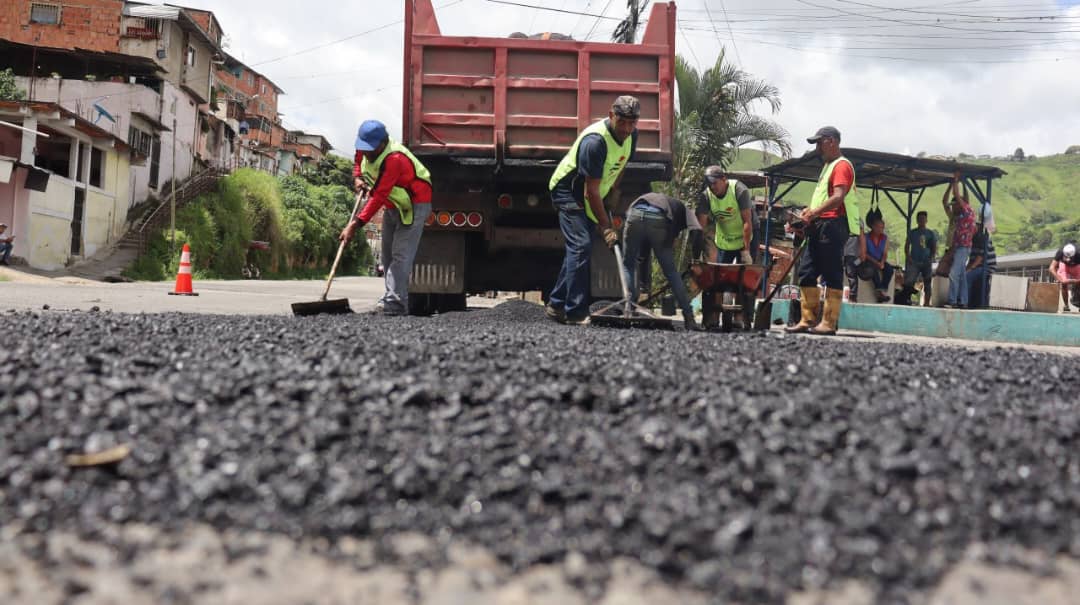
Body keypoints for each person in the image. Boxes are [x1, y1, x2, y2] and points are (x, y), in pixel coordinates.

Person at [546, 95, 640, 324]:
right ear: (611, 116)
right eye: (622, 122)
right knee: (581, 246)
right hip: (569, 191)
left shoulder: (631, 135)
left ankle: (556, 305)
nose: (627, 128)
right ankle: (575, 311)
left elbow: (620, 165)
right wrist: (606, 227)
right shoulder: (595, 142)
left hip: (592, 192)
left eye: (632, 122)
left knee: (578, 249)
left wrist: (613, 194)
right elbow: (590, 192)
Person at [340, 119, 433, 316]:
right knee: (387, 255)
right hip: (394, 204)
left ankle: (395, 304)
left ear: (382, 143)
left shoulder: (394, 159)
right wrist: (357, 177)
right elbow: (358, 161)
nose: (366, 152)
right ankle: (391, 298)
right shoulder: (364, 147)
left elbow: (378, 196)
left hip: (414, 203)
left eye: (370, 149)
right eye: (363, 147)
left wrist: (354, 225)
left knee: (401, 254)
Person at [786, 126, 858, 336]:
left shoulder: (842, 165)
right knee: (806, 272)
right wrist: (808, 214)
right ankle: (807, 319)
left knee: (832, 273)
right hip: (819, 226)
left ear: (832, 141)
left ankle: (828, 322)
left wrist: (814, 213)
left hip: (833, 225)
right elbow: (824, 198)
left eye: (820, 143)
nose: (818, 148)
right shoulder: (828, 167)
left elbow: (838, 197)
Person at [621, 192, 705, 331]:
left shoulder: (668, 204)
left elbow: (644, 243)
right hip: (657, 217)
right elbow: (697, 231)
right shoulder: (687, 211)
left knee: (628, 265)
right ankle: (689, 318)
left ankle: (628, 309)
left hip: (634, 214)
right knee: (671, 272)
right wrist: (696, 259)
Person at [695, 167, 754, 264]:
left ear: (724, 179)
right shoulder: (706, 196)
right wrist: (697, 254)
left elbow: (747, 222)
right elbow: (700, 226)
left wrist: (746, 252)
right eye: (709, 184)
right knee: (721, 274)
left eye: (714, 183)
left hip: (745, 238)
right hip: (725, 241)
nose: (712, 187)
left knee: (743, 275)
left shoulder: (739, 190)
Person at [944, 173, 976, 308]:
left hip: (963, 247)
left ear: (960, 204)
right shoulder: (959, 215)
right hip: (959, 247)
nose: (953, 207)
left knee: (953, 274)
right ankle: (963, 301)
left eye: (954, 204)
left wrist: (956, 181)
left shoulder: (967, 211)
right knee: (961, 276)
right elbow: (949, 201)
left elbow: (959, 196)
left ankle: (952, 301)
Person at [899, 211, 937, 306]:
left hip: (926, 262)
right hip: (914, 261)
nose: (922, 221)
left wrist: (931, 258)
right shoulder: (912, 233)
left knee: (927, 283)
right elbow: (907, 246)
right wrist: (908, 257)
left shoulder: (930, 233)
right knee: (909, 282)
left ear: (926, 220)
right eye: (920, 219)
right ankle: (906, 300)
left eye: (923, 219)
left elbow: (934, 247)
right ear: (917, 220)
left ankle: (927, 303)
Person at [965, 219, 996, 309]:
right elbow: (971, 260)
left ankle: (966, 302)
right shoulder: (973, 240)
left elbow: (980, 258)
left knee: (967, 277)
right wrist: (966, 269)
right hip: (977, 266)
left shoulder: (983, 239)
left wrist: (968, 270)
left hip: (986, 267)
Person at [863, 216, 893, 303]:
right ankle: (880, 294)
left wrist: (882, 262)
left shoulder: (885, 238)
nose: (880, 229)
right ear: (873, 226)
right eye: (878, 227)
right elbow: (864, 253)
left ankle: (882, 289)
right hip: (869, 260)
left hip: (880, 260)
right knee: (873, 270)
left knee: (889, 269)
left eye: (882, 228)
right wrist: (876, 262)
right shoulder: (866, 237)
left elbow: (885, 253)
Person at [1049, 242, 1080, 312]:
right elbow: (1051, 268)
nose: (1068, 260)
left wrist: (1077, 281)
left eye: (1070, 258)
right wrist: (1060, 279)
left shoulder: (1079, 252)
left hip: (1077, 266)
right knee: (1064, 284)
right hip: (1064, 266)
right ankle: (1066, 305)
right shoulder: (1060, 252)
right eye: (1066, 257)